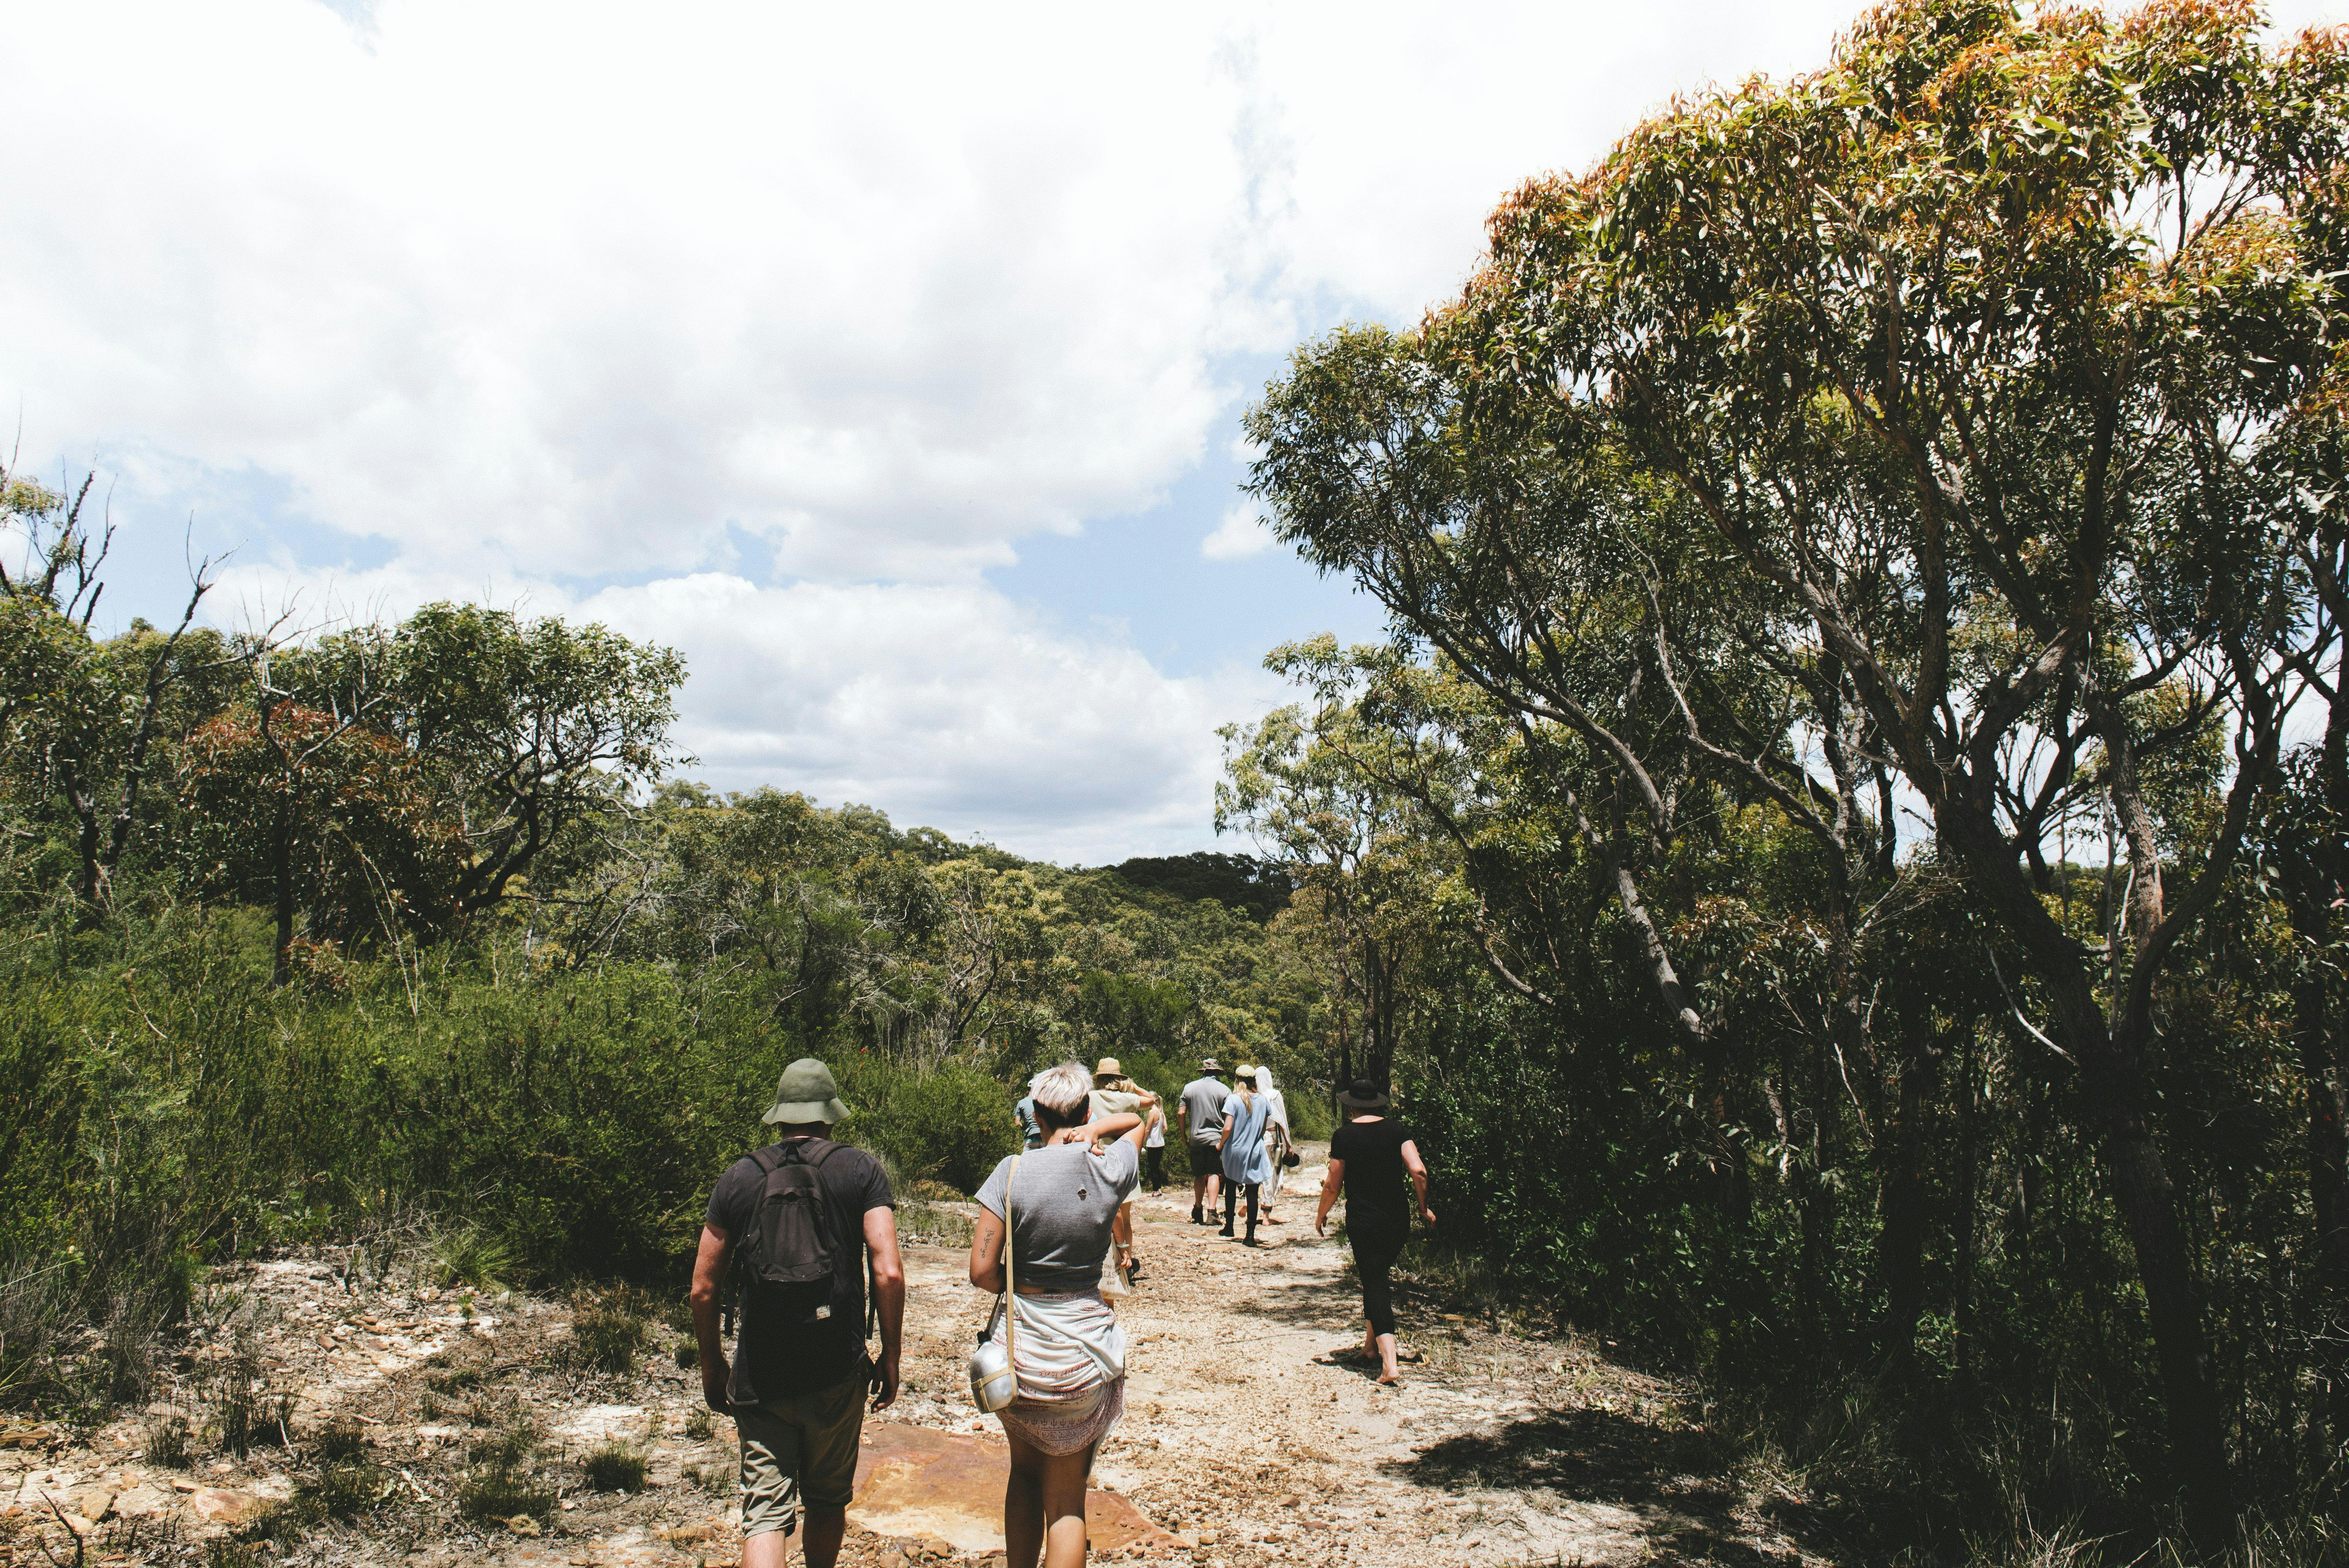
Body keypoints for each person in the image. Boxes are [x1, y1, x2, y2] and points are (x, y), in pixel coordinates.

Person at [691, 1059, 905, 1568]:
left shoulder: (740, 1178)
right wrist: (890, 1356)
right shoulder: (861, 1171)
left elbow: (703, 1288)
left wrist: (712, 1364)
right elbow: (889, 1271)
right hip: (836, 1364)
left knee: (764, 1513)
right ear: (831, 1115)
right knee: (827, 1500)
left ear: (780, 1116)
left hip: (761, 1372)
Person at [969, 1063, 1148, 1568]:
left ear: (1036, 1114)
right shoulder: (1107, 1166)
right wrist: (1096, 1130)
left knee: (1022, 1476)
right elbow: (1141, 1122)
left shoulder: (1012, 1171)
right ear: (1085, 1111)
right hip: (1082, 1354)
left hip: (1021, 1353)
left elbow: (981, 1271)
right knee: (1067, 1503)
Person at [1315, 1077, 1435, 1385]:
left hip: (1364, 1221)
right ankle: (1370, 1348)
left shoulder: (1344, 1136)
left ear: (1351, 1105)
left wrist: (1322, 1214)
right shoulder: (1398, 1131)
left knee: (1375, 1283)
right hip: (1397, 1221)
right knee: (1377, 1275)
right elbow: (1418, 1170)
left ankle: (1390, 1365)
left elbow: (1333, 1182)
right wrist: (1423, 1208)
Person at [1088, 1058, 1155, 1285]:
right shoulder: (1127, 1099)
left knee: (1101, 1218)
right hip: (1124, 1161)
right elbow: (1153, 1101)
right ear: (1118, 1079)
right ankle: (1125, 1263)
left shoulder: (1090, 1097)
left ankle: (1101, 1264)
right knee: (1124, 1219)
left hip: (1097, 1159)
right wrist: (1133, 1086)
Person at [1216, 1064, 1275, 1244]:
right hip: (1255, 1149)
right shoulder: (1264, 1100)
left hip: (1235, 1150)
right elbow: (1264, 1127)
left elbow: (1228, 1127)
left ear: (1238, 1080)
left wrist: (1220, 1145)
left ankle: (1230, 1226)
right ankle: (1250, 1235)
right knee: (1252, 1192)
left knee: (1231, 1187)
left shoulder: (1233, 1100)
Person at [1176, 1057, 1229, 1224]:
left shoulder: (1189, 1088)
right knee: (1213, 1173)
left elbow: (1181, 1113)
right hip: (1216, 1140)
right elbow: (1230, 1118)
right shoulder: (1225, 1090)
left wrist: (1184, 1136)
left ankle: (1198, 1209)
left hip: (1196, 1139)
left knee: (1199, 1175)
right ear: (1217, 1073)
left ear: (1204, 1071)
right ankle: (1212, 1212)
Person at [1255, 1065, 1293, 1224]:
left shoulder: (1254, 1096)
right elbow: (1282, 1122)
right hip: (1271, 1139)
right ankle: (1266, 1215)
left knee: (1255, 1173)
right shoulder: (1275, 1095)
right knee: (1272, 1175)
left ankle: (1246, 1202)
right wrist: (1289, 1145)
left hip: (1255, 1139)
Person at [1142, 1094, 1167, 1194]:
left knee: (1153, 1168)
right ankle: (1159, 1189)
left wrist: (1142, 1141)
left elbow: (1147, 1129)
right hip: (1161, 1143)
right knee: (1157, 1167)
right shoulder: (1162, 1113)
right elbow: (1165, 1129)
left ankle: (1156, 1190)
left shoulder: (1152, 1112)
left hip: (1153, 1144)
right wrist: (1159, 1133)